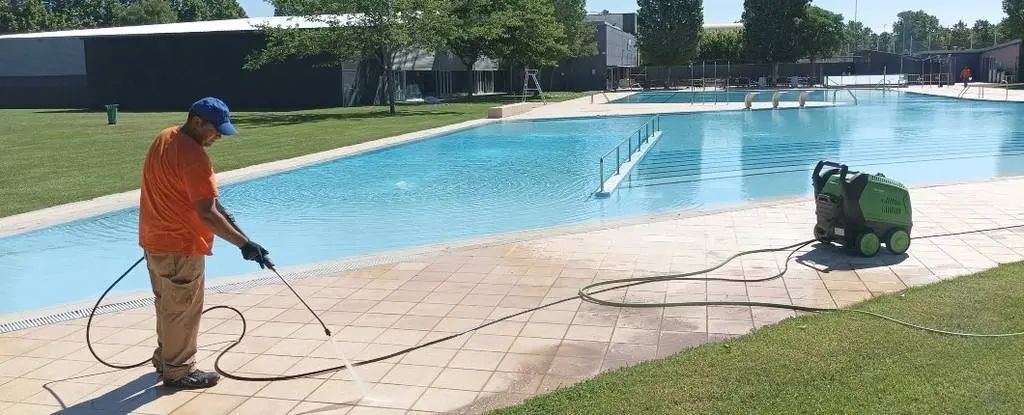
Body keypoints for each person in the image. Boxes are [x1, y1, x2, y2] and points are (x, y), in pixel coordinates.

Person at [138, 97, 271, 389]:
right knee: (183, 309)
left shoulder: (165, 137)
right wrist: (243, 246)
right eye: (216, 129)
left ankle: (165, 359)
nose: (219, 136)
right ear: (197, 122)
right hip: (180, 245)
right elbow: (207, 213)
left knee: (167, 305)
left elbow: (209, 203)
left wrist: (245, 237)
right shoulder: (194, 156)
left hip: (154, 241)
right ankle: (178, 371)